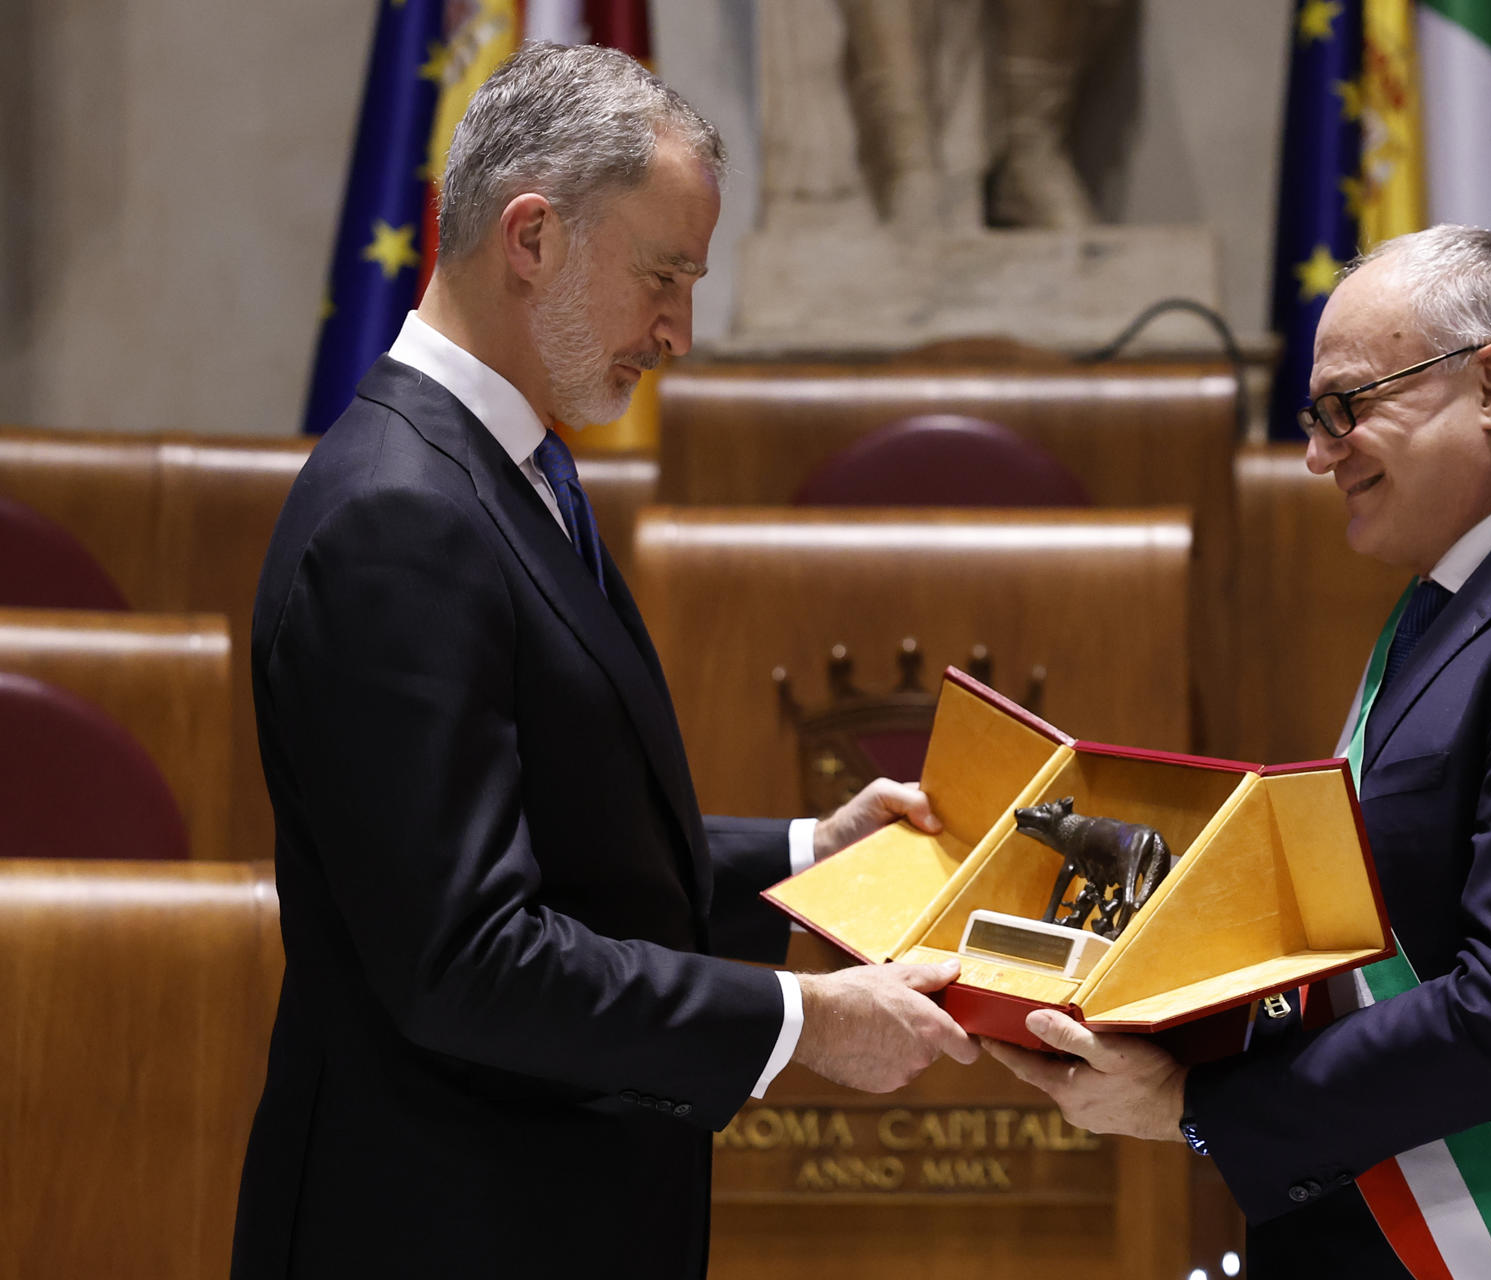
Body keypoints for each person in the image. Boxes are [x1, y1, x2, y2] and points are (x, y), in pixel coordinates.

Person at [231, 43, 976, 1279]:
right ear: (532, 238)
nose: (680, 330)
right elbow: (469, 959)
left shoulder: (497, 463)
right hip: (439, 1223)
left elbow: (564, 837)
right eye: (663, 275)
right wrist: (804, 1021)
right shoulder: (398, 516)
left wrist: (808, 857)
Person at [986, 225, 1491, 1278]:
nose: (1318, 452)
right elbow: (1393, 923)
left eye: (1347, 406)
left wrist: (1197, 1104)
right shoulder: (1469, 604)